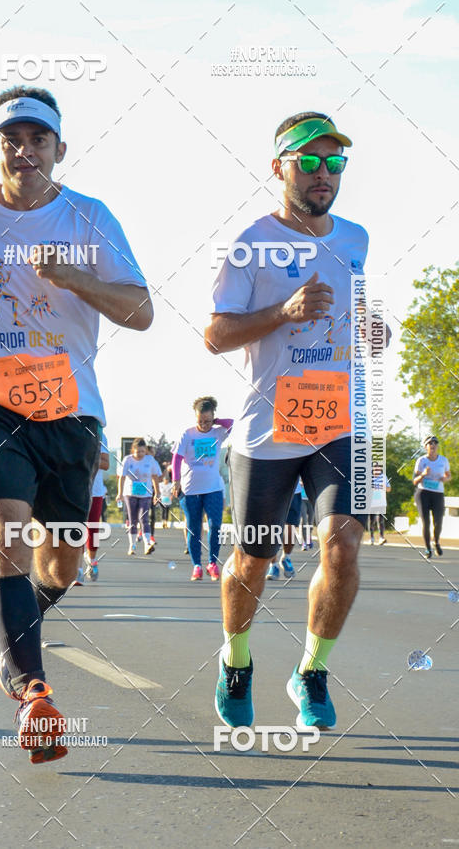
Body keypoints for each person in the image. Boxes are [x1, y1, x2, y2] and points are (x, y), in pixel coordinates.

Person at [0, 85, 152, 764]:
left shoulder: (90, 218)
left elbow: (141, 311)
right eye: (11, 140)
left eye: (38, 139)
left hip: (72, 413)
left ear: (59, 149)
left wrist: (76, 278)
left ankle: (18, 628)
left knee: (61, 563)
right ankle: (33, 692)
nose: (25, 150)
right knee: (6, 535)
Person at [206, 111, 385, 730]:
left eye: (334, 162)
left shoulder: (355, 238)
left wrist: (371, 330)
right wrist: (283, 311)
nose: (322, 174)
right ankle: (236, 661)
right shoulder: (249, 243)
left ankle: (311, 671)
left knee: (342, 544)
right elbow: (215, 335)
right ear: (279, 167)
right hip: (269, 429)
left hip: (339, 421)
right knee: (253, 559)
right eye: (308, 161)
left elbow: (354, 312)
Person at [172, 397, 232, 581]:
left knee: (215, 526)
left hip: (213, 488)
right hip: (190, 489)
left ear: (213, 418)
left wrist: (216, 421)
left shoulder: (218, 433)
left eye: (207, 421)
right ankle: (196, 565)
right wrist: (176, 481)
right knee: (194, 528)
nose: (204, 425)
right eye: (200, 421)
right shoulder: (188, 434)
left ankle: (212, 563)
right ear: (195, 418)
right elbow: (176, 458)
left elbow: (233, 424)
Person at [117, 438, 161, 555]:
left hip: (145, 494)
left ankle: (147, 544)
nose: (140, 454)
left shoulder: (150, 460)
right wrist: (119, 493)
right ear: (133, 450)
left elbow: (155, 477)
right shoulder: (127, 460)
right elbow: (122, 477)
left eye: (142, 451)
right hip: (130, 493)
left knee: (144, 518)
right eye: (138, 452)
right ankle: (132, 546)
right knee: (133, 520)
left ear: (145, 450)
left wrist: (157, 493)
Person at [413, 436, 451, 558]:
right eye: (430, 443)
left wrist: (445, 479)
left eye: (435, 443)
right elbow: (415, 481)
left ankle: (436, 541)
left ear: (437, 446)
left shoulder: (443, 460)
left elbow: (449, 476)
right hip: (423, 493)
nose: (433, 445)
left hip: (438, 493)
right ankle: (428, 548)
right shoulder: (421, 461)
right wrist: (423, 474)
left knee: (438, 521)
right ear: (426, 447)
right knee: (426, 522)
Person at [265, 478, 302, 580]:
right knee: (272, 528)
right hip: (271, 491)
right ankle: (273, 565)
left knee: (290, 528)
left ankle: (286, 557)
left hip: (294, 492)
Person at [84, 434, 109, 581]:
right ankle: (77, 570)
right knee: (75, 528)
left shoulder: (99, 434)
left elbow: (106, 464)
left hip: (95, 490)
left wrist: (84, 458)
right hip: (73, 489)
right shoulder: (66, 428)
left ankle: (92, 560)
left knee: (92, 530)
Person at [369, 463, 391, 546]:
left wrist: (383, 486)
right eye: (375, 469)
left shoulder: (384, 477)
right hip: (371, 503)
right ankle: (371, 538)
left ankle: (381, 537)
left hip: (381, 502)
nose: (377, 471)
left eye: (378, 469)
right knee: (371, 521)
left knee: (381, 520)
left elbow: (389, 489)